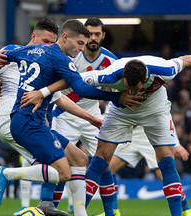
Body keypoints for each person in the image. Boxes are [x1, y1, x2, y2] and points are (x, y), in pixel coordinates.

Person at [22, 49, 191, 216]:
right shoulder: (110, 75)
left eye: (135, 88)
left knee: (167, 163)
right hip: (120, 111)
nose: (130, 91)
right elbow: (74, 80)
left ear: (145, 79)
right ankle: (81, 211)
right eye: (127, 87)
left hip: (155, 111)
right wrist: (43, 92)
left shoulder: (165, 70)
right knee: (99, 160)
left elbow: (186, 60)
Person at [0, 19, 142, 215]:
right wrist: (116, 97)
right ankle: (8, 175)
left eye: (84, 45)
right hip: (29, 122)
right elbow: (80, 88)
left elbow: (10, 55)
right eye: (79, 43)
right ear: (65, 37)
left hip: (27, 120)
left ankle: (79, 213)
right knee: (63, 173)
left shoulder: (34, 50)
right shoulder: (60, 59)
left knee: (79, 159)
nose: (81, 48)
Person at [49, 17, 117, 214]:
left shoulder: (111, 60)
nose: (93, 38)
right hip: (63, 115)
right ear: (83, 35)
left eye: (97, 34)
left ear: (103, 35)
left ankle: (111, 212)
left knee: (104, 164)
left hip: (93, 117)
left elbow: (115, 93)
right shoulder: (70, 53)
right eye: (89, 34)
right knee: (59, 164)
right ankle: (51, 209)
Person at [93, 126, 191, 216]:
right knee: (107, 169)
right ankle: (114, 211)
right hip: (130, 136)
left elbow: (164, 114)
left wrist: (176, 144)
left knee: (164, 175)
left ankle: (186, 209)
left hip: (148, 135)